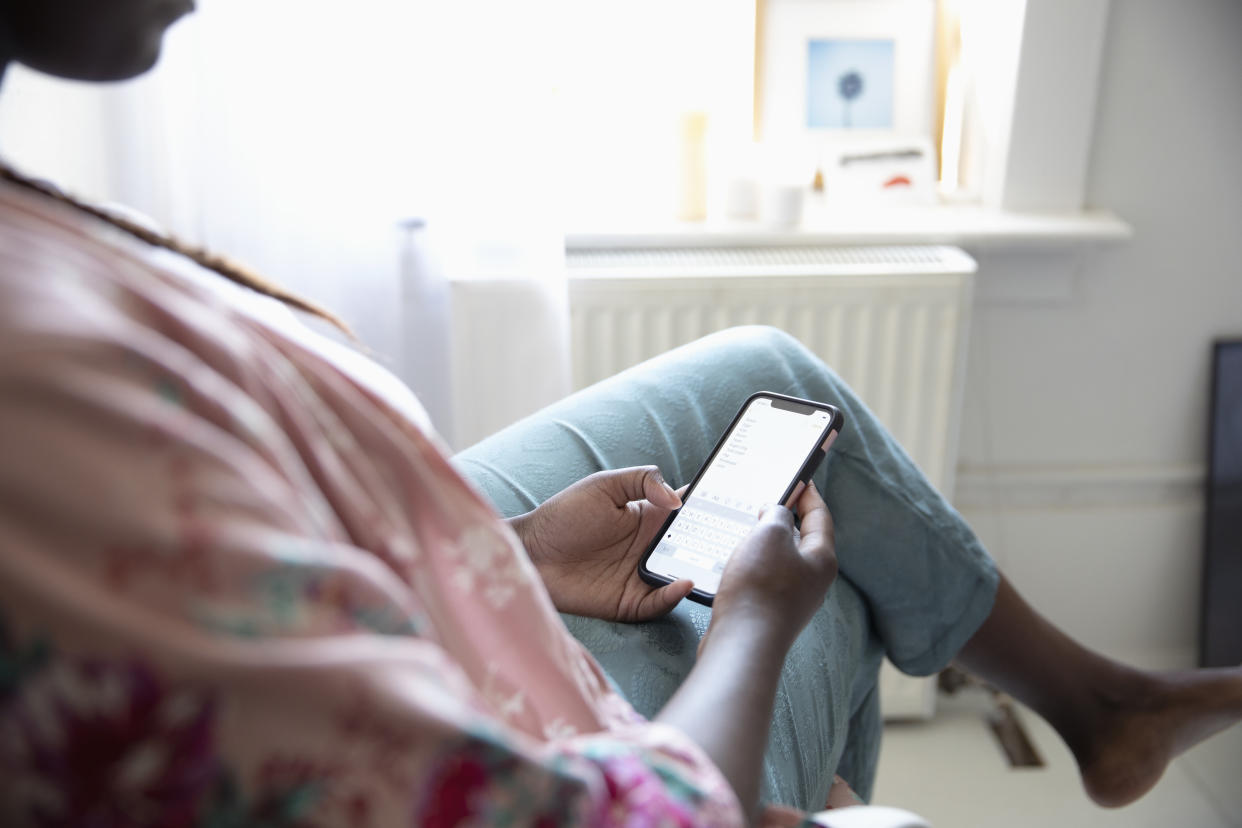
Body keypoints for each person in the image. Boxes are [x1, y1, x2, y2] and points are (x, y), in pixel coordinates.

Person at [0, 2, 1239, 826]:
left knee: (770, 377)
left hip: (401, 557)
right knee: (826, 573)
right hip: (530, 735)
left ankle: (1101, 702)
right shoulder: (40, 408)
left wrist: (519, 555)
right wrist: (754, 622)